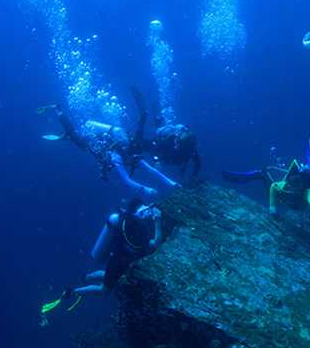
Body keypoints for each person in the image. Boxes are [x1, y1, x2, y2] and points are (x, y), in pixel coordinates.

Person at [40, 198, 163, 321]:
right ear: (138, 213)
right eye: (144, 210)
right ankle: (72, 292)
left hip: (116, 259)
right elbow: (155, 243)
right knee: (103, 290)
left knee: (108, 275)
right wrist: (157, 222)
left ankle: (86, 277)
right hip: (120, 262)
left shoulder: (124, 220)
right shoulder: (138, 230)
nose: (147, 212)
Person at [39, 97, 179, 197]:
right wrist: (146, 190)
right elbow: (127, 180)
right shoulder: (117, 156)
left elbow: (149, 171)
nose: (135, 158)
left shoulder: (131, 153)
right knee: (75, 136)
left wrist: (171, 183)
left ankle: (66, 132)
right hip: (89, 142)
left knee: (75, 137)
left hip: (95, 141)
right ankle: (58, 112)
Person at [222, 139, 310, 216]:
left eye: (298, 182)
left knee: (260, 174)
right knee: (261, 174)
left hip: (294, 202)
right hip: (287, 199)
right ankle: (234, 177)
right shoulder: (286, 185)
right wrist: (272, 209)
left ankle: (234, 177)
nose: (296, 183)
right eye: (294, 181)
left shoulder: (306, 191)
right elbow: (273, 186)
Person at [131, 86, 202, 178]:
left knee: (158, 127)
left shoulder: (190, 148)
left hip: (166, 143)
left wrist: (193, 177)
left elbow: (198, 163)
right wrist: (156, 160)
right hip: (160, 140)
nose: (177, 146)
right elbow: (156, 149)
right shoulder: (171, 140)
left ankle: (156, 115)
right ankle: (144, 114)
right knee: (138, 143)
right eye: (178, 144)